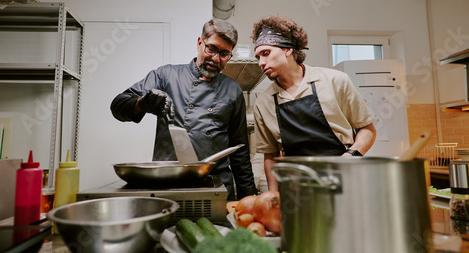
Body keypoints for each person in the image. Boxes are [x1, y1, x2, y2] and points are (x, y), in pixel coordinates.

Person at [111, 18, 257, 201]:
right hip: (169, 184)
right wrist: (143, 103)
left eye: (224, 53)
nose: (215, 58)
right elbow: (118, 106)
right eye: (211, 48)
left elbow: (240, 153)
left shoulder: (233, 90)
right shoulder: (166, 75)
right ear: (199, 43)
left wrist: (250, 200)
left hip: (215, 187)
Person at [251, 15, 376, 191]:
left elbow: (367, 129)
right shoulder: (263, 103)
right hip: (296, 189)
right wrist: (273, 196)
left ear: (288, 49)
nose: (261, 62)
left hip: (344, 182)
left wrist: (351, 156)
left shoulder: (336, 81)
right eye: (258, 57)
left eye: (266, 53)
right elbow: (271, 156)